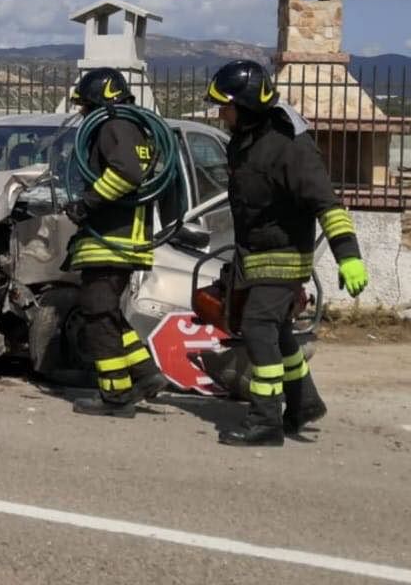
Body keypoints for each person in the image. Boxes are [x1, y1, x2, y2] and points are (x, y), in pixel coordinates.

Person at [206, 59, 369, 446]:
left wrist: (349, 255)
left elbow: (327, 204)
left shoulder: (290, 147)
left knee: (259, 327)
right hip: (255, 255)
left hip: (284, 257)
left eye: (225, 105)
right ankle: (304, 402)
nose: (220, 113)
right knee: (277, 332)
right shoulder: (245, 141)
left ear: (245, 106)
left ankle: (265, 420)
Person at [63, 68, 170, 417]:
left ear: (98, 99)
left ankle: (115, 394)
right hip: (121, 239)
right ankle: (144, 373)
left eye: (84, 105)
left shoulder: (113, 126)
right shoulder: (131, 128)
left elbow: (126, 174)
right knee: (105, 313)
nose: (81, 113)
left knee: (96, 316)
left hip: (111, 240)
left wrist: (86, 203)